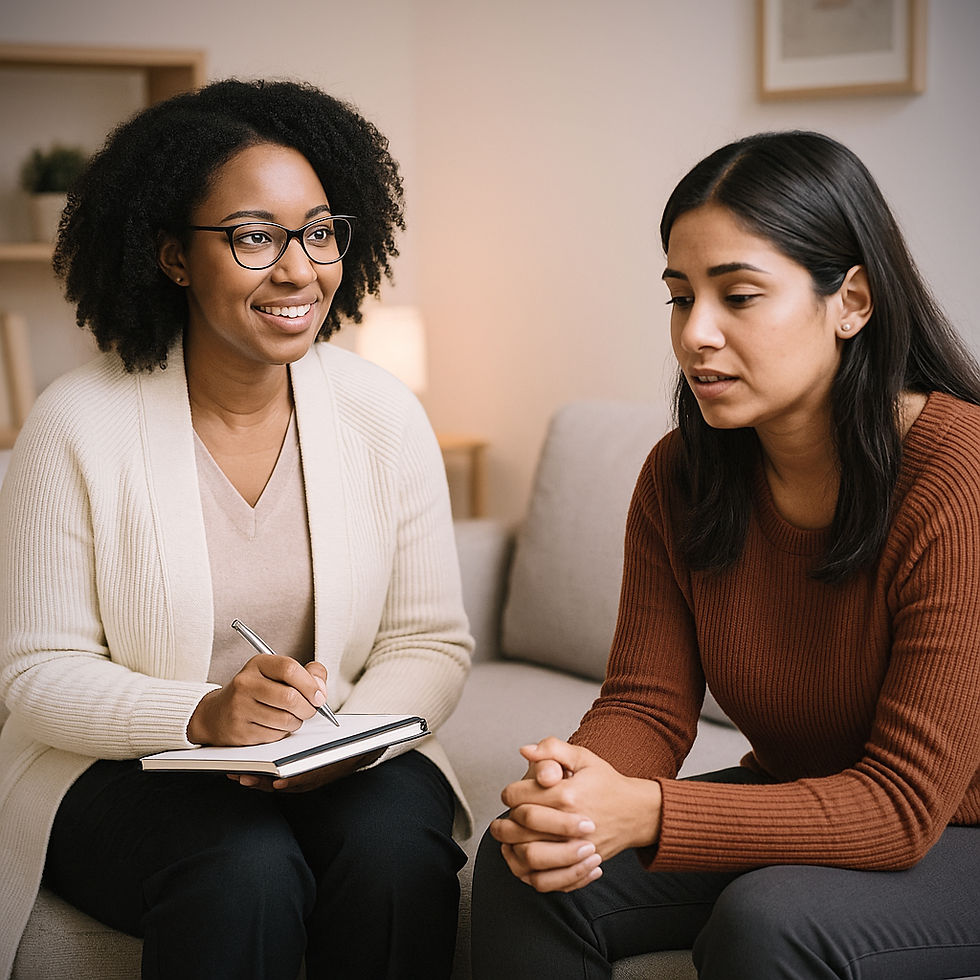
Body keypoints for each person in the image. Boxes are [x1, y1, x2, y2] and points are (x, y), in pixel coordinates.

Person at [471, 131, 980, 979]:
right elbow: (647, 704)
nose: (695, 334)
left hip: (952, 827)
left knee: (773, 921)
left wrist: (648, 812)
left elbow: (902, 805)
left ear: (852, 301)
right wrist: (580, 789)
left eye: (738, 296)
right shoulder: (682, 474)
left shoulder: (959, 474)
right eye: (680, 298)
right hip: (812, 801)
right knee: (528, 859)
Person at [0, 78, 473, 980]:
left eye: (319, 232)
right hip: (125, 766)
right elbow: (36, 674)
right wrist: (204, 714)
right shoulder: (75, 423)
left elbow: (429, 640)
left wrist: (343, 740)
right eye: (255, 237)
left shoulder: (383, 414)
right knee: (242, 869)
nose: (298, 270)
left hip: (339, 744)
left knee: (395, 856)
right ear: (174, 257)